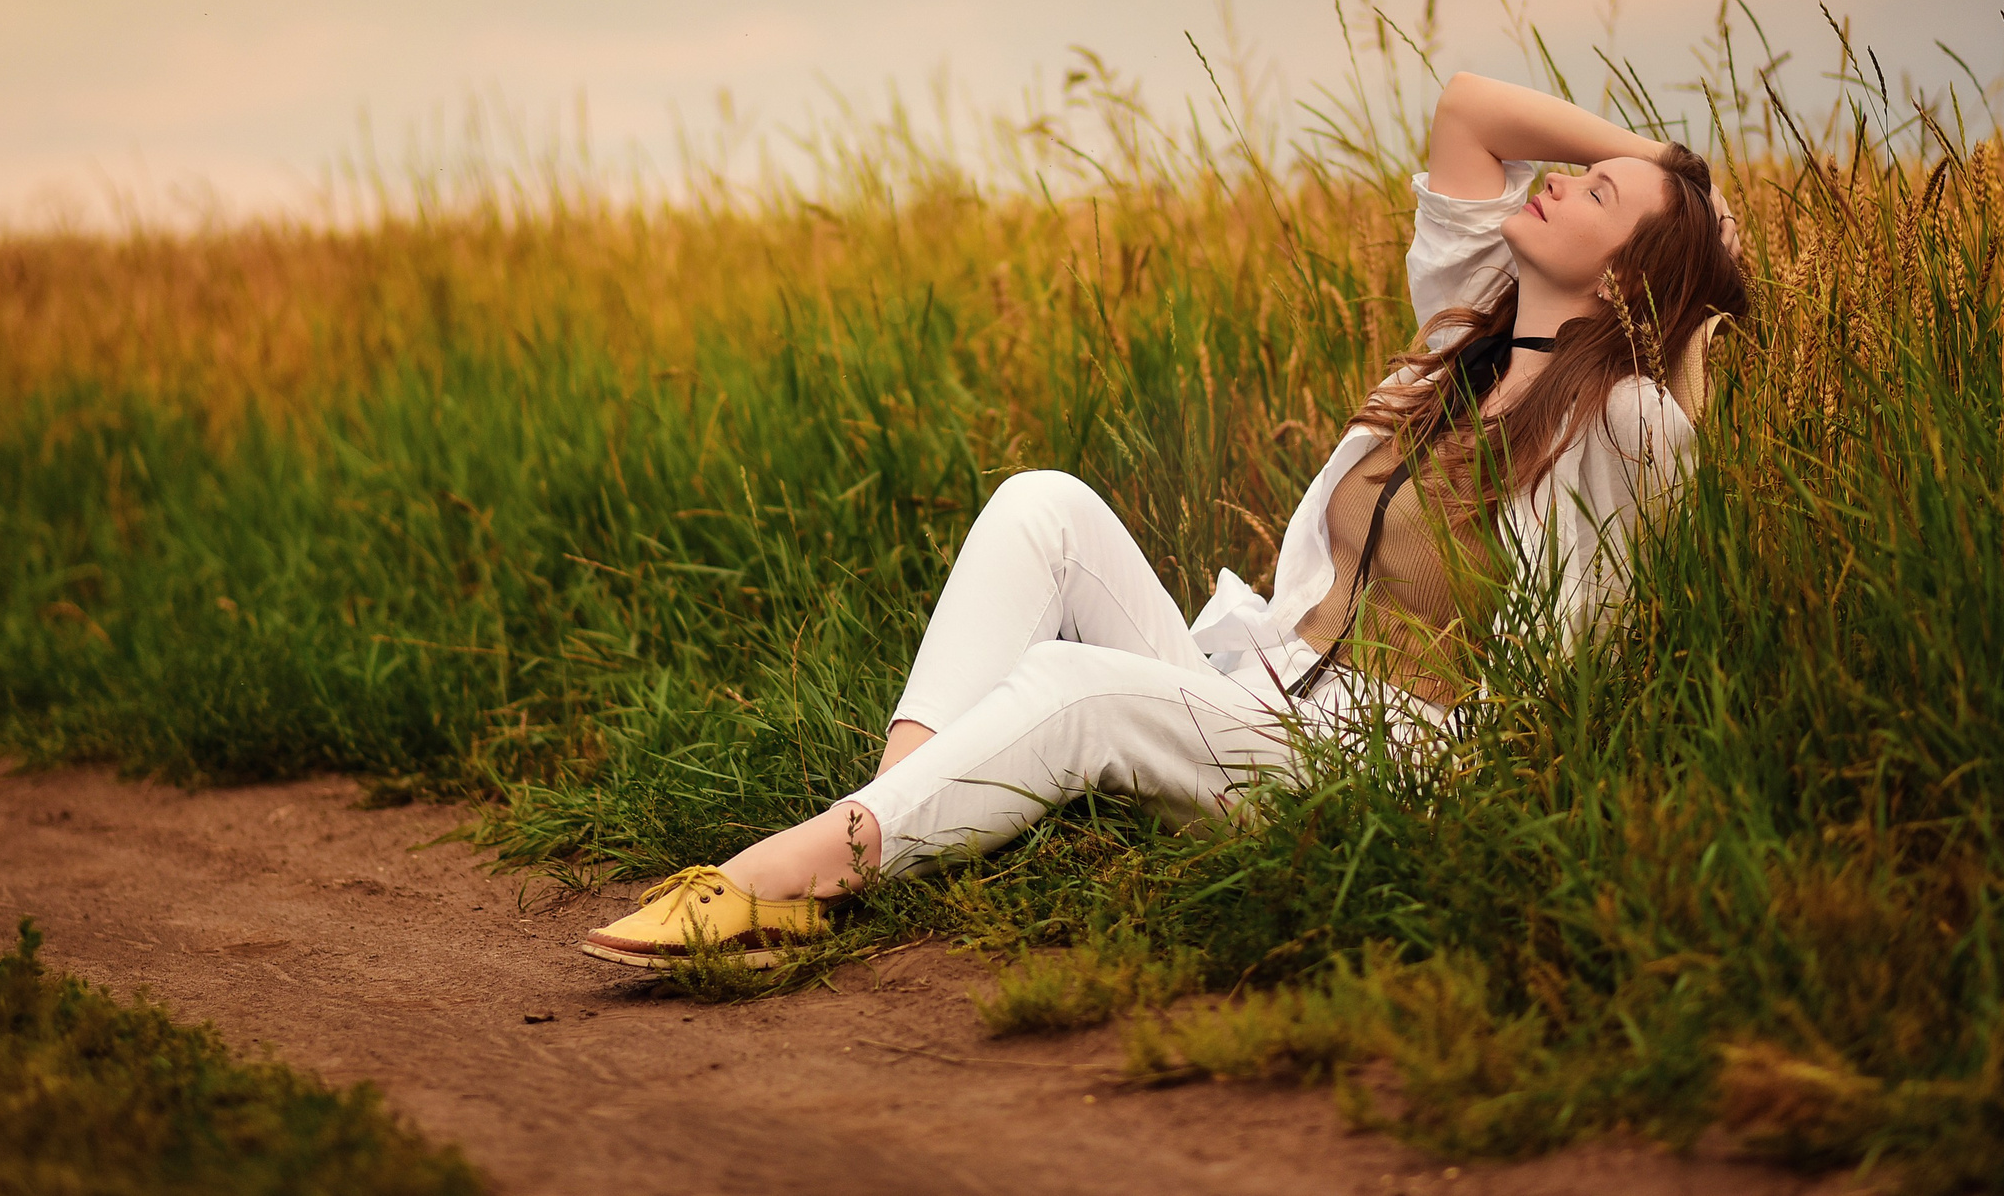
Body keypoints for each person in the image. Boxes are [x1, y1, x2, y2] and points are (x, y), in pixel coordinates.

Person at [580, 74, 1750, 969]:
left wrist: (1686, 251)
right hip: (1254, 685)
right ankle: (899, 815)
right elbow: (1466, 110)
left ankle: (802, 867)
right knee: (1043, 503)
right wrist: (1661, 162)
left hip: (1369, 765)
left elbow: (1577, 652)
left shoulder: (1631, 426)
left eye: (1595, 194)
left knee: (1074, 685)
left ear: (1629, 279)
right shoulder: (1465, 328)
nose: (1555, 178)